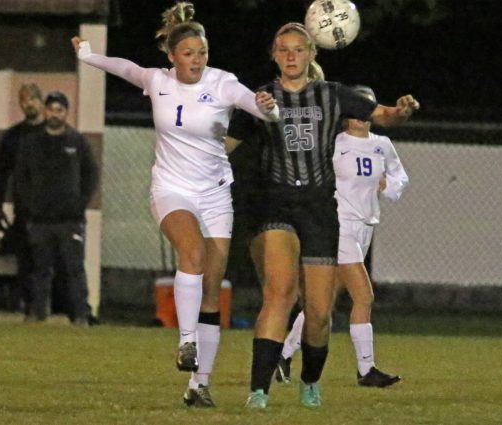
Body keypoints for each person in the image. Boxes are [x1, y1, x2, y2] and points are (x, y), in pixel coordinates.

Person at [71, 1, 279, 408]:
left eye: (202, 52)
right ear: (172, 56)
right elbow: (125, 68)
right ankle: (186, 342)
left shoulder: (222, 82)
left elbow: (255, 105)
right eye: (188, 54)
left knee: (211, 292)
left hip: (215, 192)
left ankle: (199, 386)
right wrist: (88, 56)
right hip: (171, 188)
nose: (197, 60)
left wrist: (266, 108)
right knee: (192, 252)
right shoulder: (158, 80)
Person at [225, 23, 419, 408]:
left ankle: (310, 380)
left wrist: (403, 111)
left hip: (318, 209)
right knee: (279, 294)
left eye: (299, 49)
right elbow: (225, 145)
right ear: (274, 55)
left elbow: (383, 116)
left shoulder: (332, 95)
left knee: (317, 313)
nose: (292, 56)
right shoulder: (260, 99)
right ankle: (258, 390)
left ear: (313, 54)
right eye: (284, 49)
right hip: (275, 205)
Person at [275, 86, 407, 388]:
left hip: (366, 224)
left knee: (324, 301)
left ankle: (283, 355)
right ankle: (366, 370)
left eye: (368, 107)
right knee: (364, 296)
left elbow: (400, 176)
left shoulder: (382, 144)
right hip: (339, 225)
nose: (361, 114)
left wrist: (390, 186)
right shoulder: (334, 144)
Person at [14, 91, 99, 326]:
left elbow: (91, 174)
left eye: (59, 110)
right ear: (45, 111)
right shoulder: (31, 144)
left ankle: (81, 315)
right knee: (40, 269)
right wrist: (30, 205)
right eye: (51, 110)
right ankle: (38, 313)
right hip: (40, 220)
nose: (54, 114)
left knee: (74, 269)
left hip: (70, 219)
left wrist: (79, 204)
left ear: (66, 113)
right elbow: (21, 178)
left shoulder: (77, 142)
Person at [0, 83, 45, 313]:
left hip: (50, 211)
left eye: (32, 98)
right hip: (23, 208)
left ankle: (46, 305)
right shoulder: (13, 137)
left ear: (40, 102)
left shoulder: (54, 133)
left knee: (47, 260)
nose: (28, 103)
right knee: (25, 260)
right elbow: (0, 173)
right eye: (24, 100)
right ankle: (29, 307)